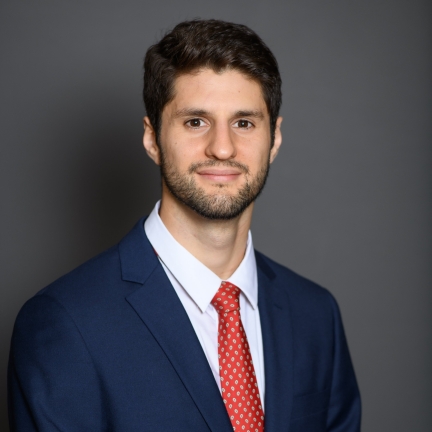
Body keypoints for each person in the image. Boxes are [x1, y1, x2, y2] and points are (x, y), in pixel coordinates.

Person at [8, 19, 361, 432]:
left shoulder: (316, 316)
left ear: (275, 139)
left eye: (244, 122)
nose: (223, 147)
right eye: (196, 121)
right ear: (152, 138)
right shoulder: (65, 324)